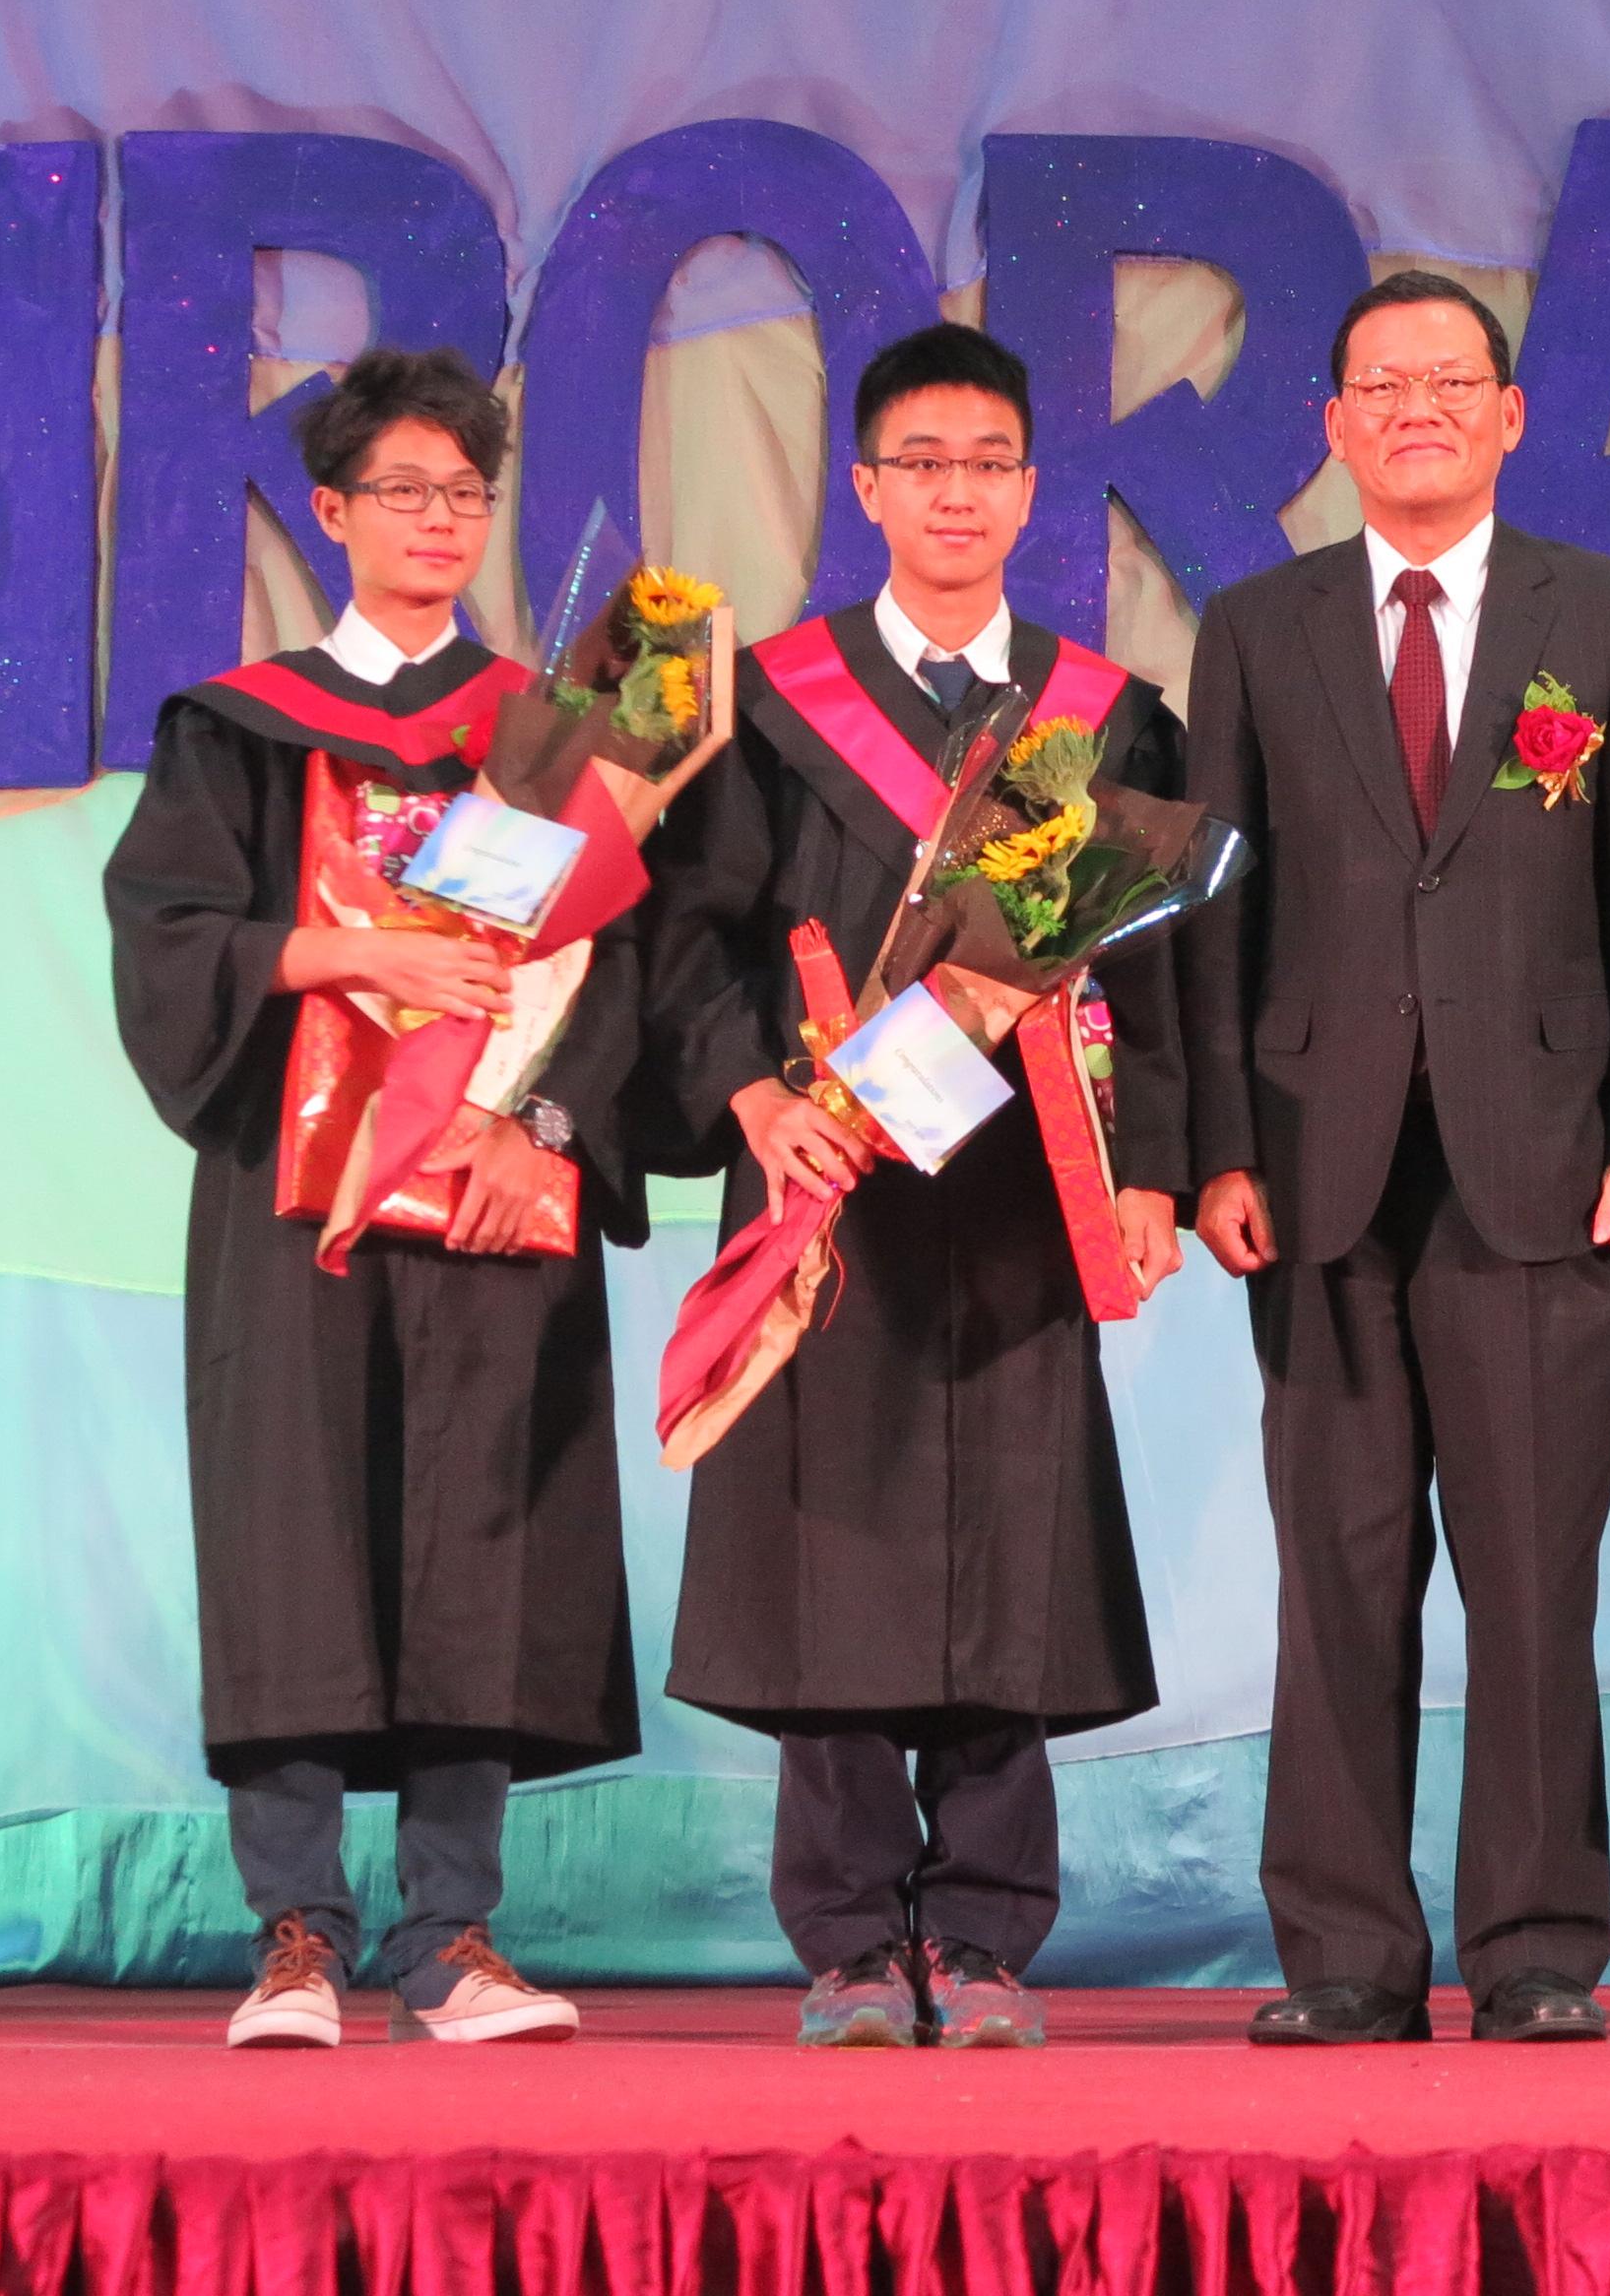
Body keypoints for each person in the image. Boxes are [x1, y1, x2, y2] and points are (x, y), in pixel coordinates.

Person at [640, 322, 1188, 2053]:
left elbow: (1161, 977)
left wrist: (1158, 1171)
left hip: (1028, 1186)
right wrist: (746, 1098)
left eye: (990, 463)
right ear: (866, 487)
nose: (958, 492)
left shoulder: (1105, 719)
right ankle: (853, 1944)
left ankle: (988, 1938)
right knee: (837, 1550)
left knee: (1009, 1552)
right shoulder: (774, 710)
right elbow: (694, 935)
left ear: (1031, 489)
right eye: (922, 463)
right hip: (832, 1182)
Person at [101, 345, 644, 2052]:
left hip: (488, 1196)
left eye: (463, 495)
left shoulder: (554, 743)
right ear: (329, 513)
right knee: (298, 1538)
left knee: (474, 1540)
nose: (435, 521)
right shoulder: (239, 728)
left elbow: (621, 965)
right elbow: (169, 938)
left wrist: (539, 1125)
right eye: (400, 491)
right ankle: (297, 1936)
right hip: (300, 1194)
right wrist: (342, 942)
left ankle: (453, 1937)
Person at [1177, 272, 1610, 2046]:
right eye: (1380, 383)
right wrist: (1213, 1151)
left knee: (1540, 1575)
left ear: (1507, 415)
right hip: (1311, 1167)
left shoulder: (1608, 614)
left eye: (1448, 381)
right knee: (1337, 1574)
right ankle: (1343, 1957)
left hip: (1547, 1164)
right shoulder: (1256, 626)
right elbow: (1210, 913)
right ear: (1329, 421)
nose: (1416, 408)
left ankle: (1541, 1946)